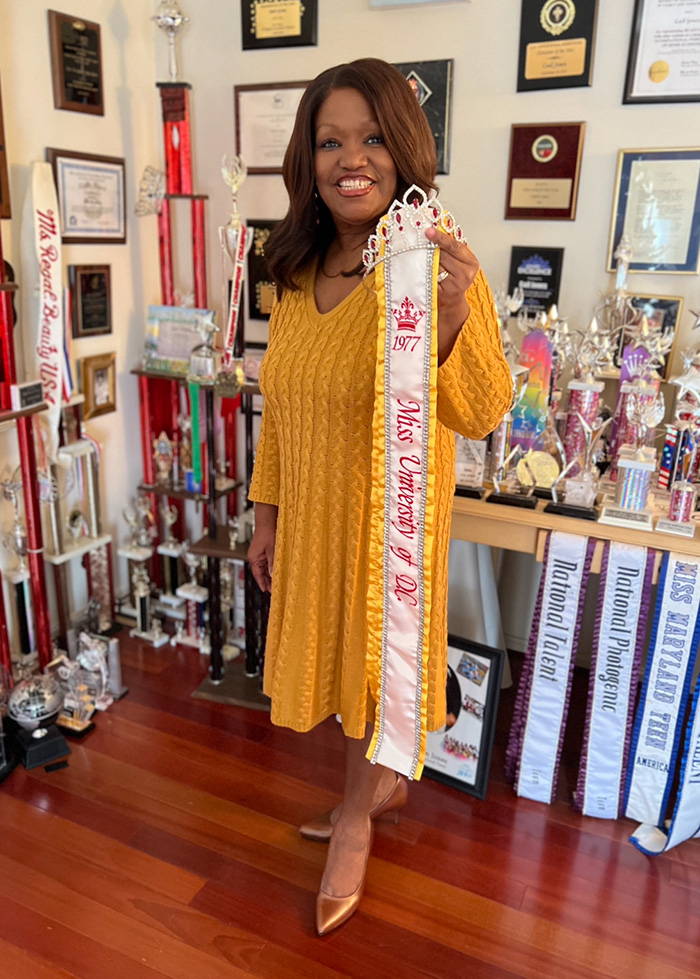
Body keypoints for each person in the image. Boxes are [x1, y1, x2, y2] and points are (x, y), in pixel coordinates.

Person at [247, 57, 512, 935]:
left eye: (370, 137)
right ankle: (381, 781)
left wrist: (456, 316)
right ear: (308, 158)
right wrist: (266, 512)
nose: (349, 158)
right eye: (330, 140)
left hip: (386, 528)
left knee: (374, 669)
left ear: (403, 149)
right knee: (332, 673)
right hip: (312, 518)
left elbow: (479, 409)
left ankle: (358, 815)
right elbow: (278, 409)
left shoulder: (432, 254)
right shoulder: (290, 268)